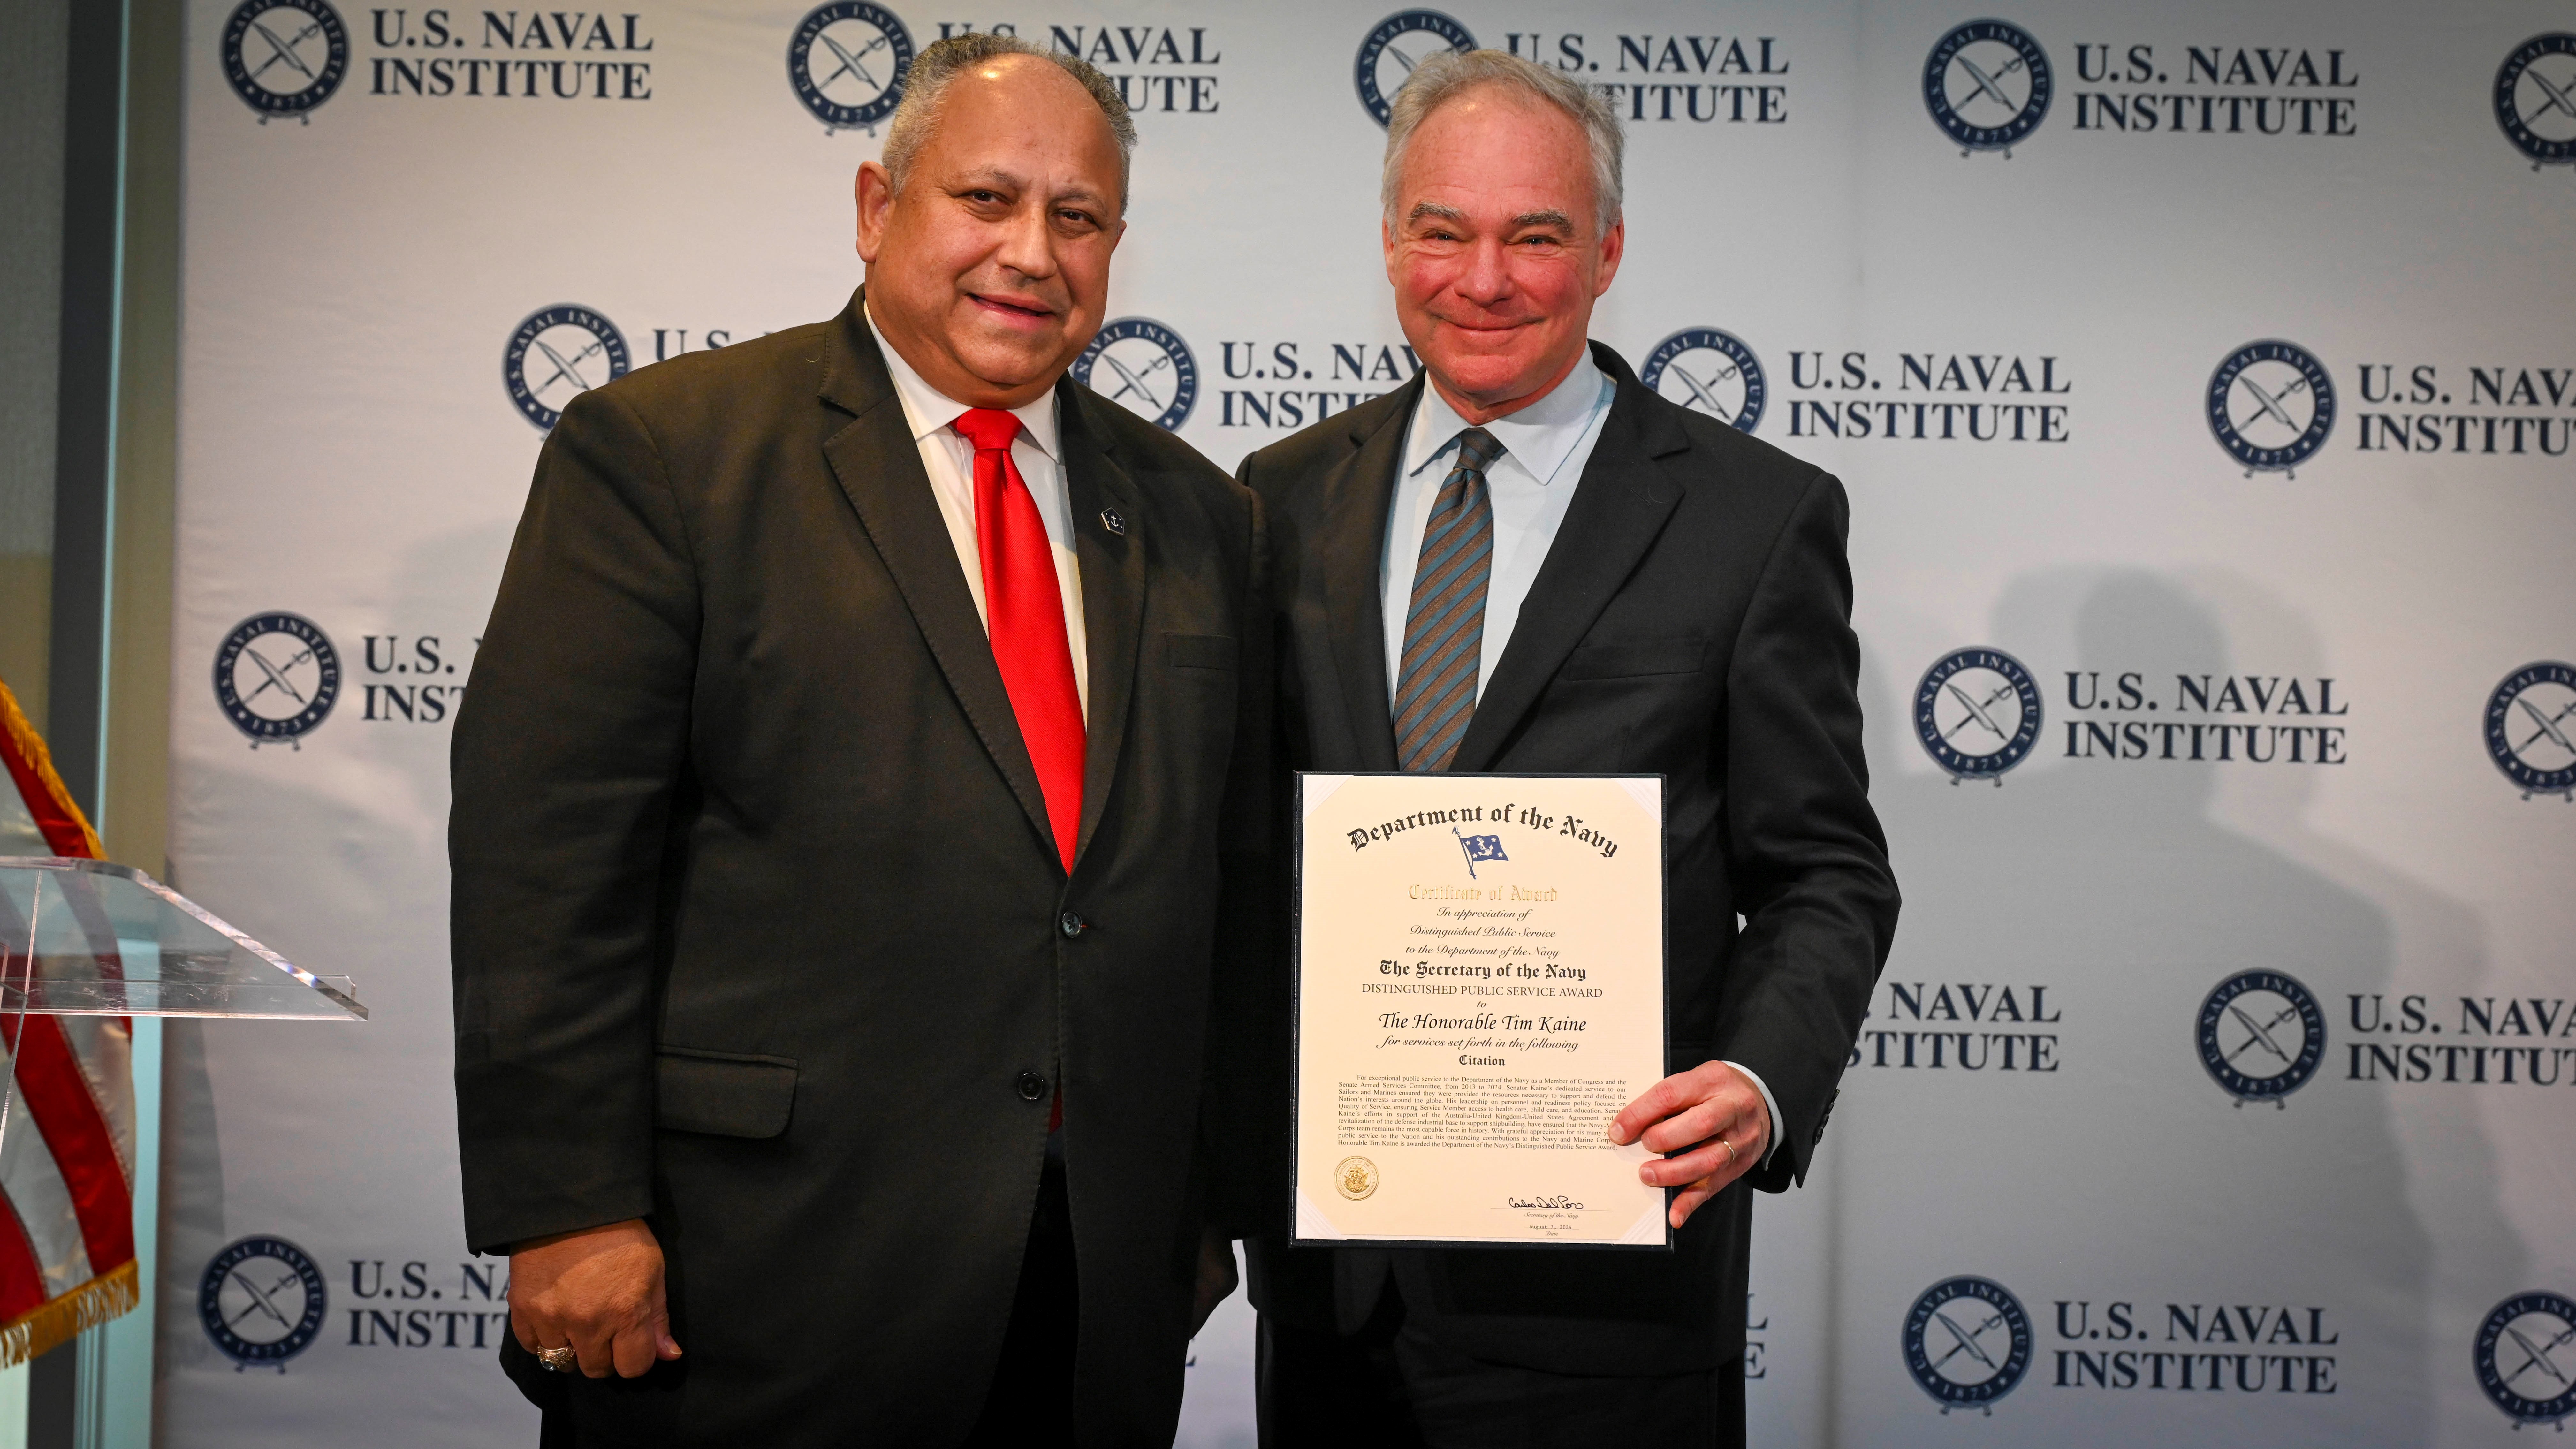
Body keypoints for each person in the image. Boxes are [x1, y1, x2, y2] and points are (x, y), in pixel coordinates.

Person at [449, 33, 1264, 1447]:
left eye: (1077, 219)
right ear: (877, 207)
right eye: (987, 200)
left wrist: (1193, 1213)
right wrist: (569, 1208)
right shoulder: (669, 455)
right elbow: (547, 862)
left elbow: (1215, 886)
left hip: (1092, 1301)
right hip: (753, 1284)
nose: (1031, 252)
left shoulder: (1199, 512)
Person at [1233, 49, 1899, 1446]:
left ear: (1604, 252)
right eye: (1443, 231)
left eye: (1533, 236)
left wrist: (1763, 1080)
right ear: (1390, 239)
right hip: (1336, 1283)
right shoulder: (1278, 498)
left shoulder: (1751, 517)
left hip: (1606, 1286)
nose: (1483, 279)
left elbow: (1824, 870)